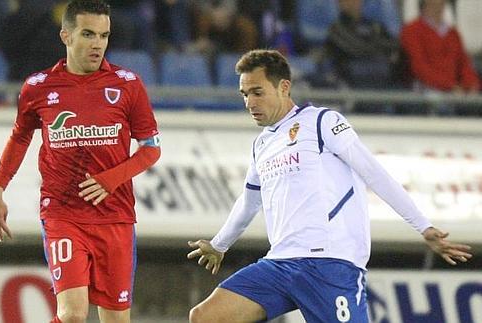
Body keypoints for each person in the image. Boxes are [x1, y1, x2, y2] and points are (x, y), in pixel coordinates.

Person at [186, 49, 472, 323]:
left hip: (329, 264)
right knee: (206, 317)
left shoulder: (323, 122)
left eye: (257, 92)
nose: (249, 102)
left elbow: (373, 172)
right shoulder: (262, 144)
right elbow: (249, 202)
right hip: (280, 263)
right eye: (245, 94)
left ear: (284, 87)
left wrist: (422, 226)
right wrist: (218, 245)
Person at [0, 1, 161, 323]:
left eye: (104, 35)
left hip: (115, 217)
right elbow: (20, 137)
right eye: (88, 34)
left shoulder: (127, 85)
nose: (97, 43)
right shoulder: (38, 88)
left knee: (117, 320)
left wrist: (110, 179)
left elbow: (151, 148)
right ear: (66, 35)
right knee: (72, 315)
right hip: (63, 213)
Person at [400, 0, 480, 94]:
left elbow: (464, 64)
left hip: (454, 91)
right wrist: (449, 86)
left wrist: (472, 84)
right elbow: (419, 67)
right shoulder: (412, 30)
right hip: (426, 90)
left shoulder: (452, 34)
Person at [325, 0, 399, 89]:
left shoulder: (374, 25)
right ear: (340, 4)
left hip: (381, 78)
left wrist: (372, 44)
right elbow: (357, 48)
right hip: (351, 82)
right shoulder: (336, 28)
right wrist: (376, 44)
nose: (354, 2)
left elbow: (394, 44)